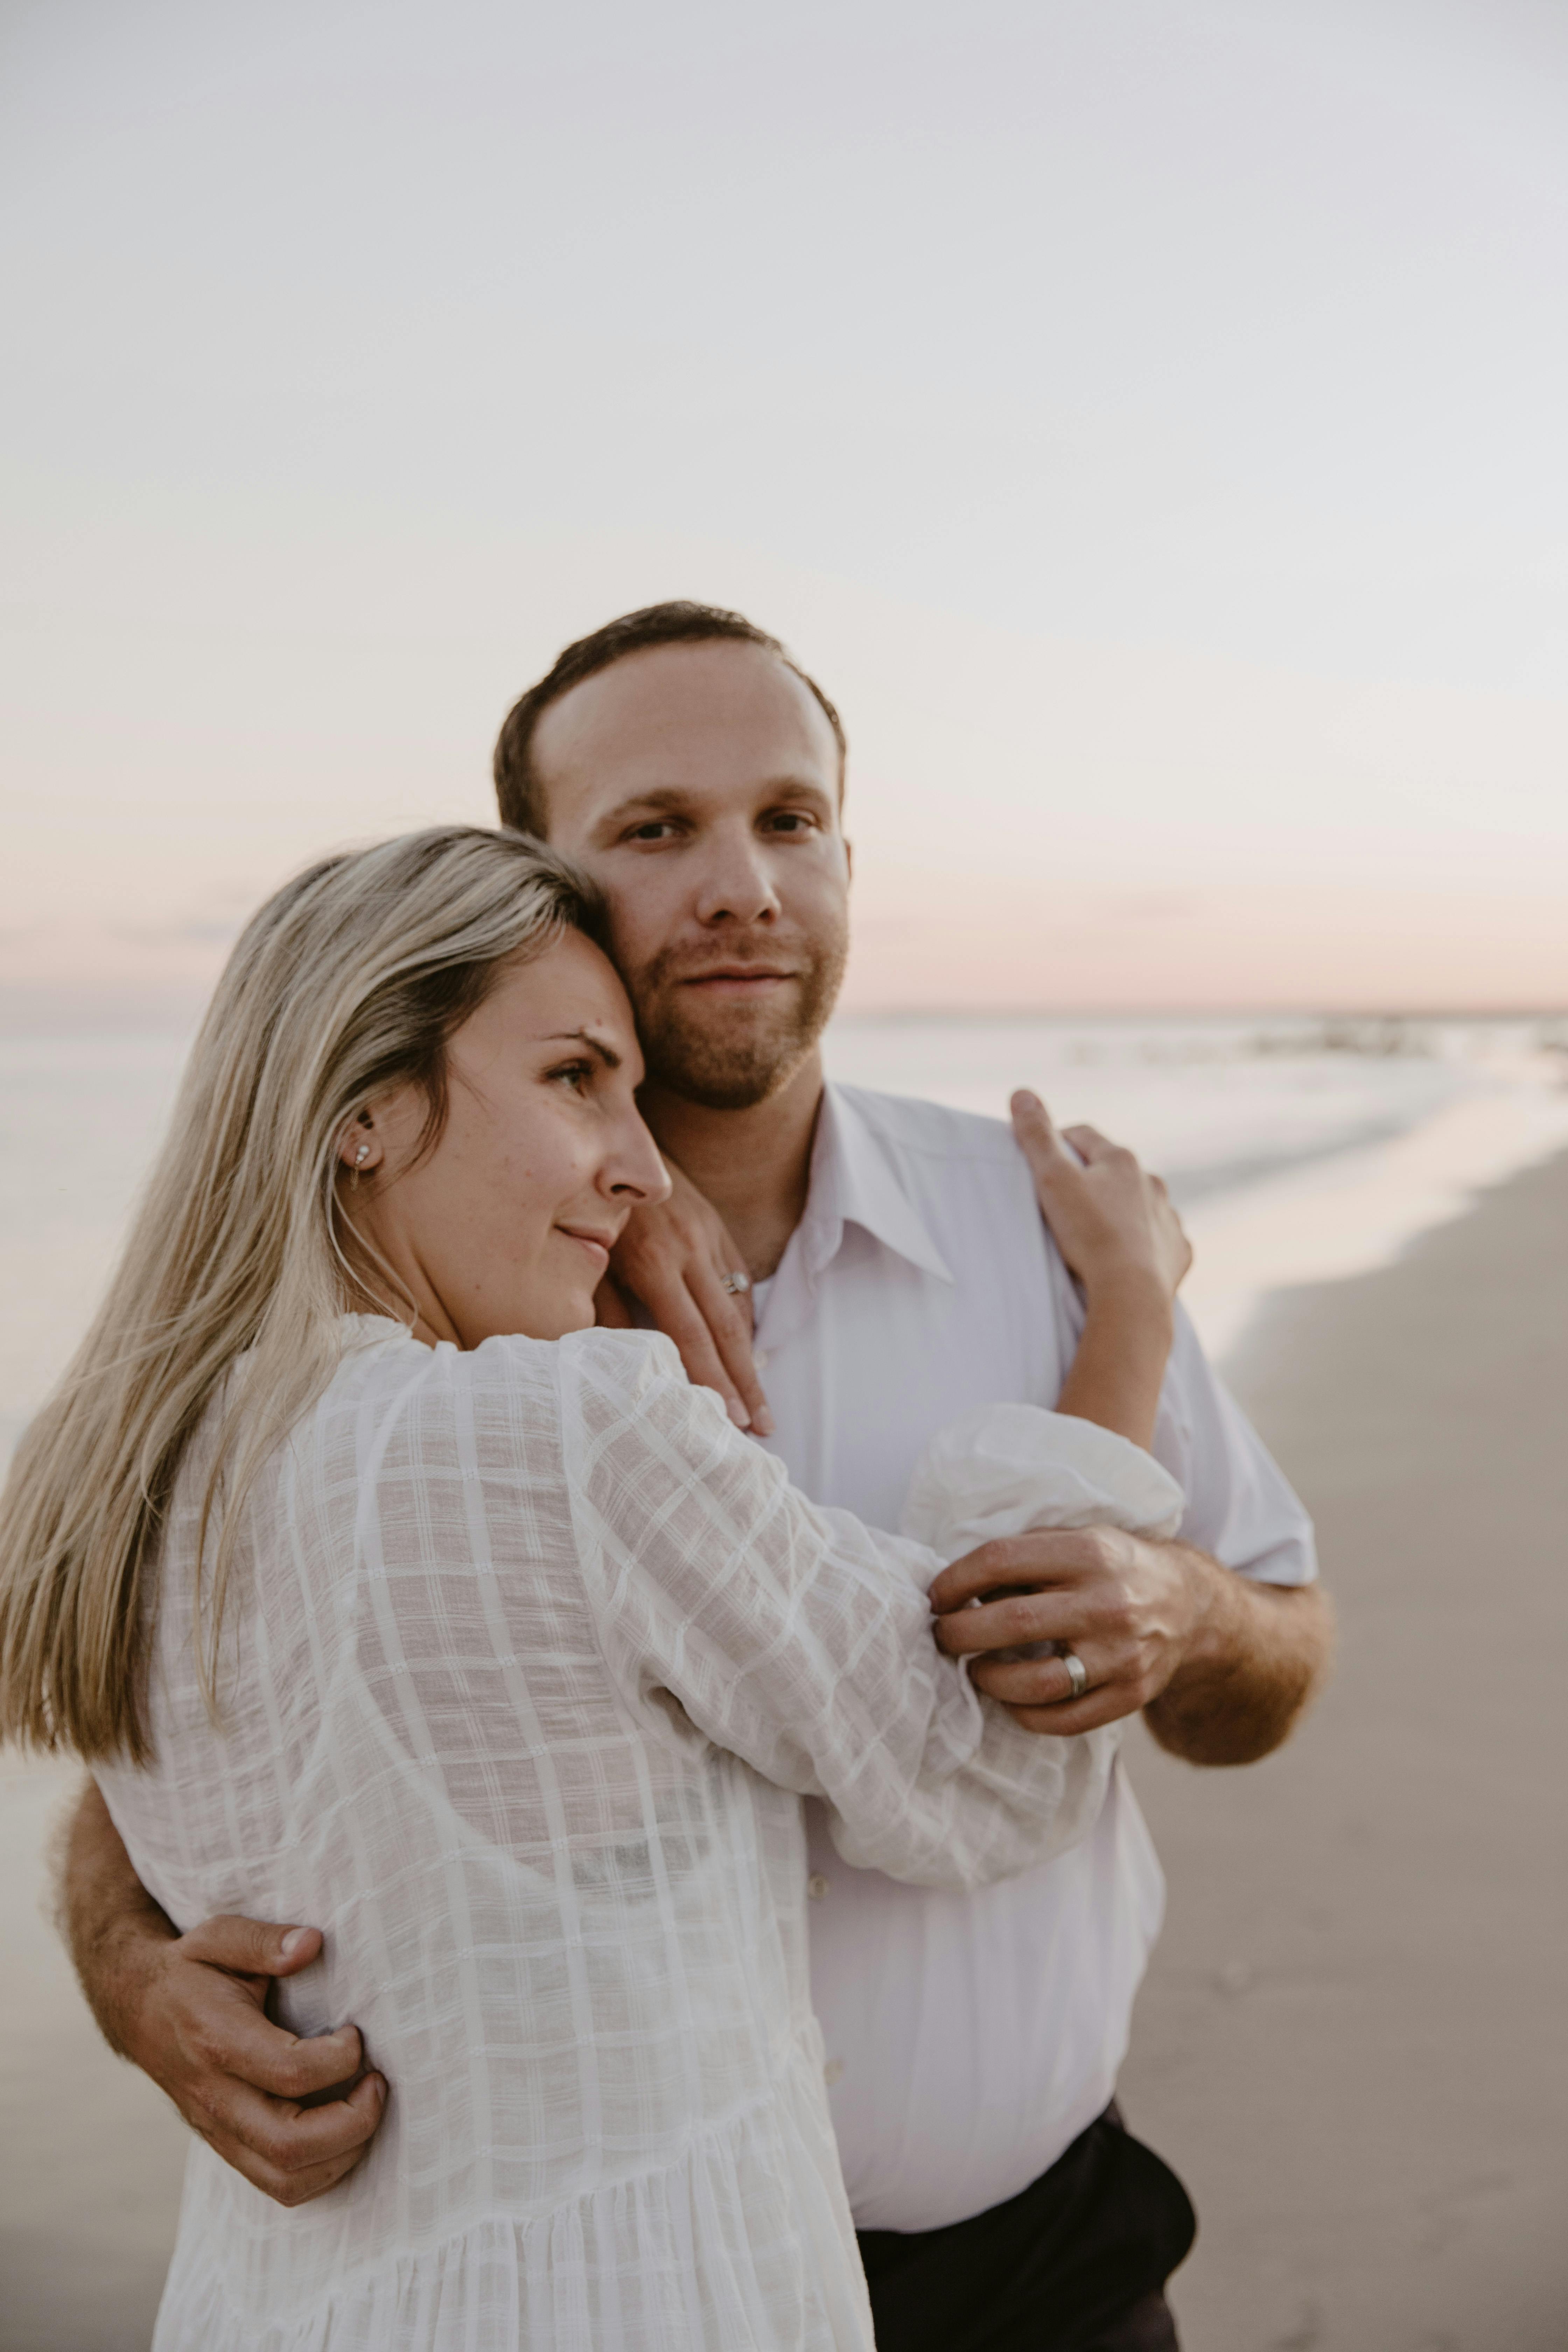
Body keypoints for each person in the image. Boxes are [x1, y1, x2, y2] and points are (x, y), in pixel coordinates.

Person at [55, 604, 1334, 2348]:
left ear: (846, 859)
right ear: (543, 881)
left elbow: (1278, 1656)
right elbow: (230, 1727)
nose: (742, 882)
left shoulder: (1052, 1226)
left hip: (1031, 2265)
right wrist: (130, 1969)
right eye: (658, 829)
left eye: (788, 821)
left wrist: (1180, 1608)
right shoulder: (492, 1340)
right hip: (658, 2278)